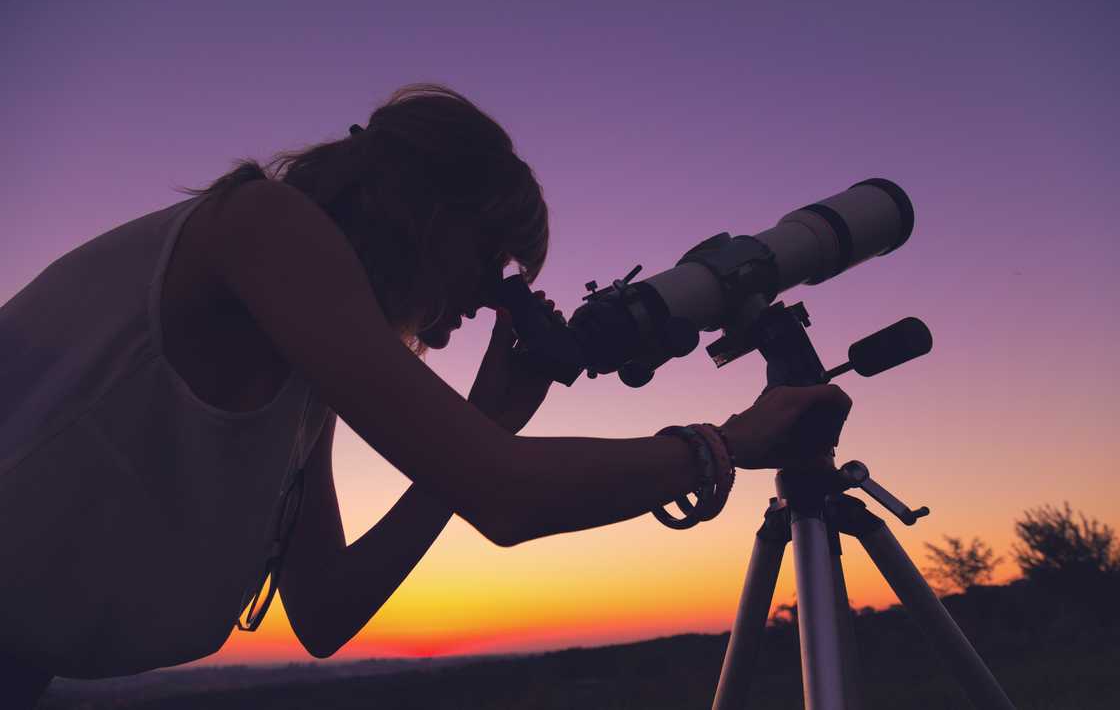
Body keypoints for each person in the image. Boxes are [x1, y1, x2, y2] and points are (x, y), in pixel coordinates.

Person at [0, 84, 851, 706]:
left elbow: (328, 608)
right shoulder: (262, 225)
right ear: (429, 214)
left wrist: (481, 427)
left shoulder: (303, 384)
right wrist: (728, 443)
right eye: (494, 261)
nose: (489, 299)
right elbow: (505, 494)